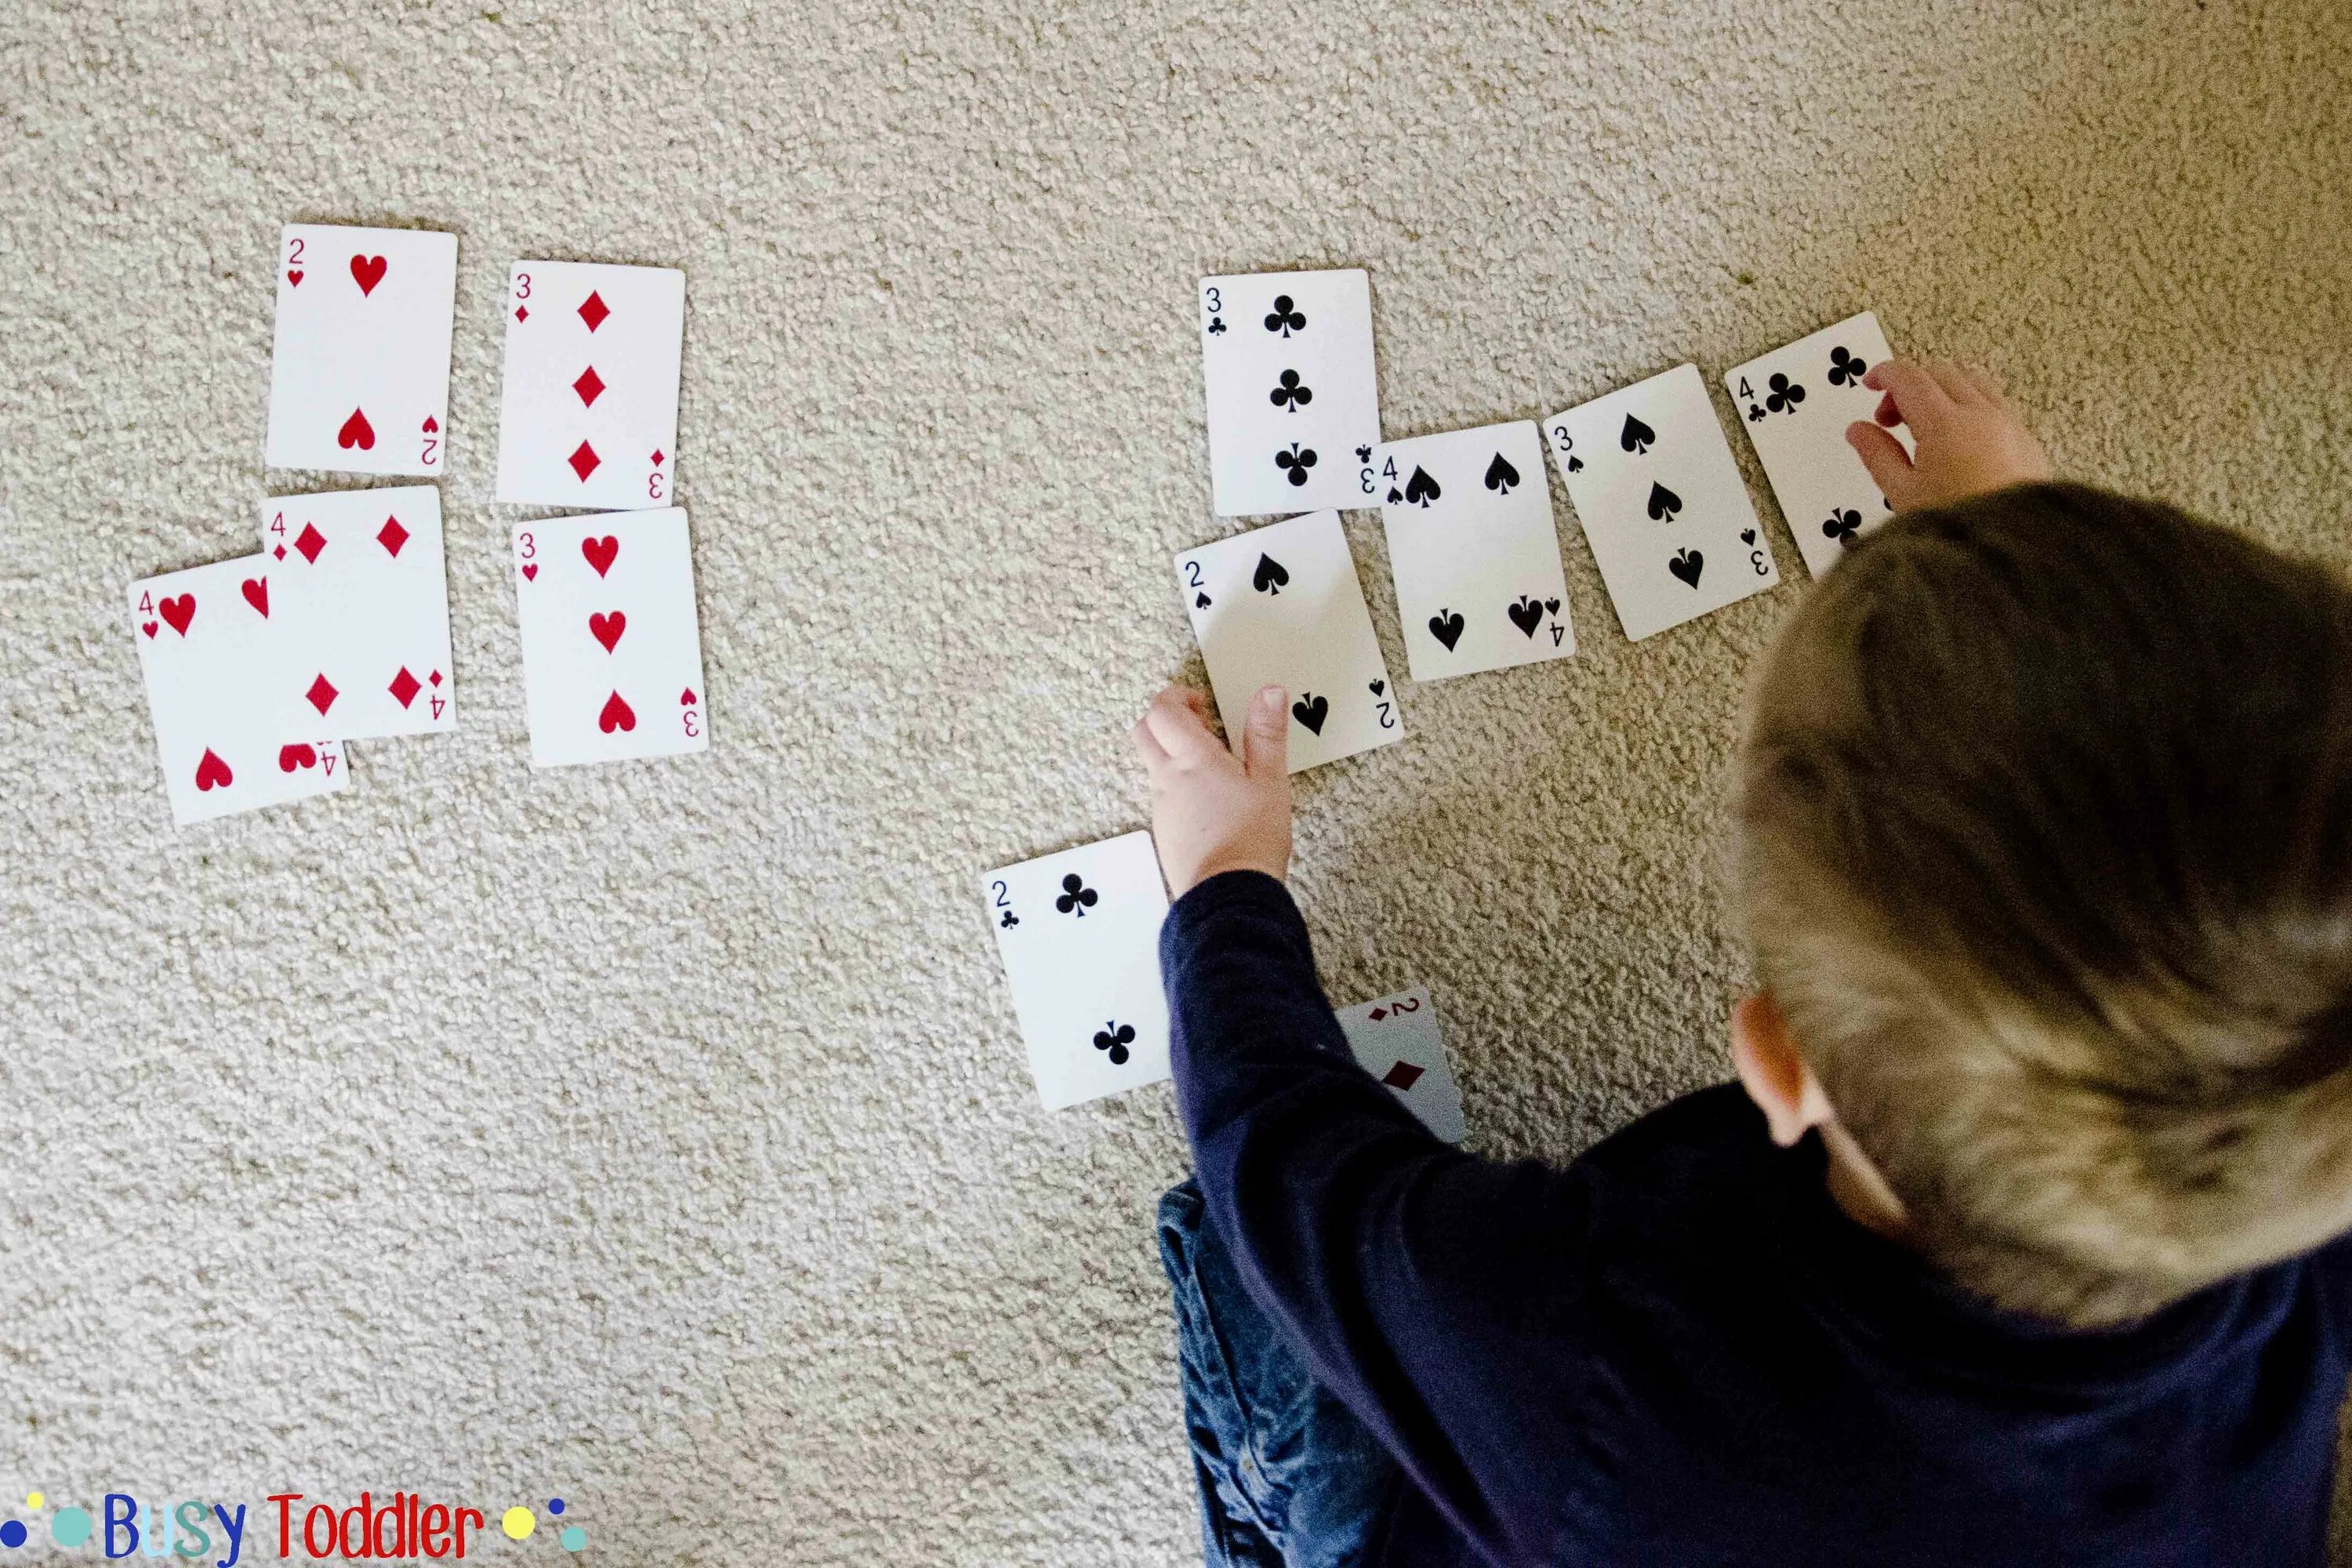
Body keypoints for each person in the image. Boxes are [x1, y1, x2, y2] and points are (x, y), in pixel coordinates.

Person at [1134, 359, 2352, 1566]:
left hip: (1536, 1509)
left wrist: (1226, 885)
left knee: (1259, 1266)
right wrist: (2023, 573)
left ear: (1774, 1059)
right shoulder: (2307, 1184)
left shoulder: (1590, 1357)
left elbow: (1294, 1172)